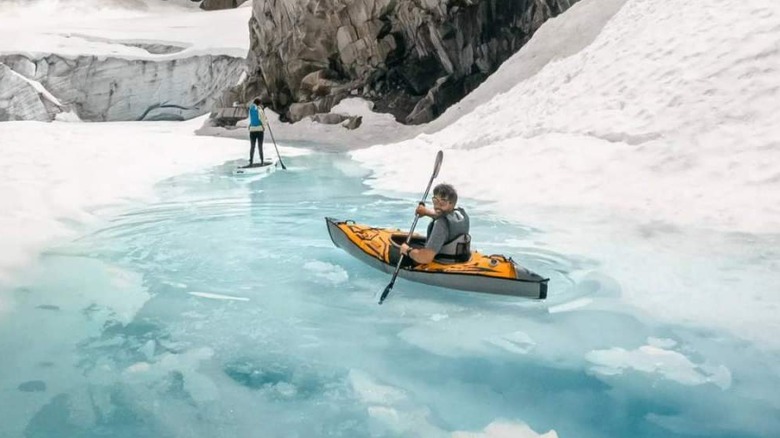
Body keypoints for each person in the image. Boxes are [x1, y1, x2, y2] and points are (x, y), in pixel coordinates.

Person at [399, 183, 471, 265]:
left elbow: (425, 258)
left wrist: (408, 251)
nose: (437, 206)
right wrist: (426, 212)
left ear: (451, 204)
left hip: (443, 262)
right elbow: (442, 215)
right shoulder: (460, 215)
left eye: (442, 203)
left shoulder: (441, 225)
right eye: (435, 201)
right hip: (459, 259)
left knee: (402, 250)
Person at [246, 98, 266, 167]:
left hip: (252, 130)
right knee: (260, 146)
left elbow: (251, 119)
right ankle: (262, 161)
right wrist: (264, 126)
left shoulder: (251, 109)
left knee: (252, 146)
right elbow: (263, 119)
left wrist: (250, 126)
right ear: (259, 104)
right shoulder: (260, 110)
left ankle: (251, 162)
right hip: (259, 130)